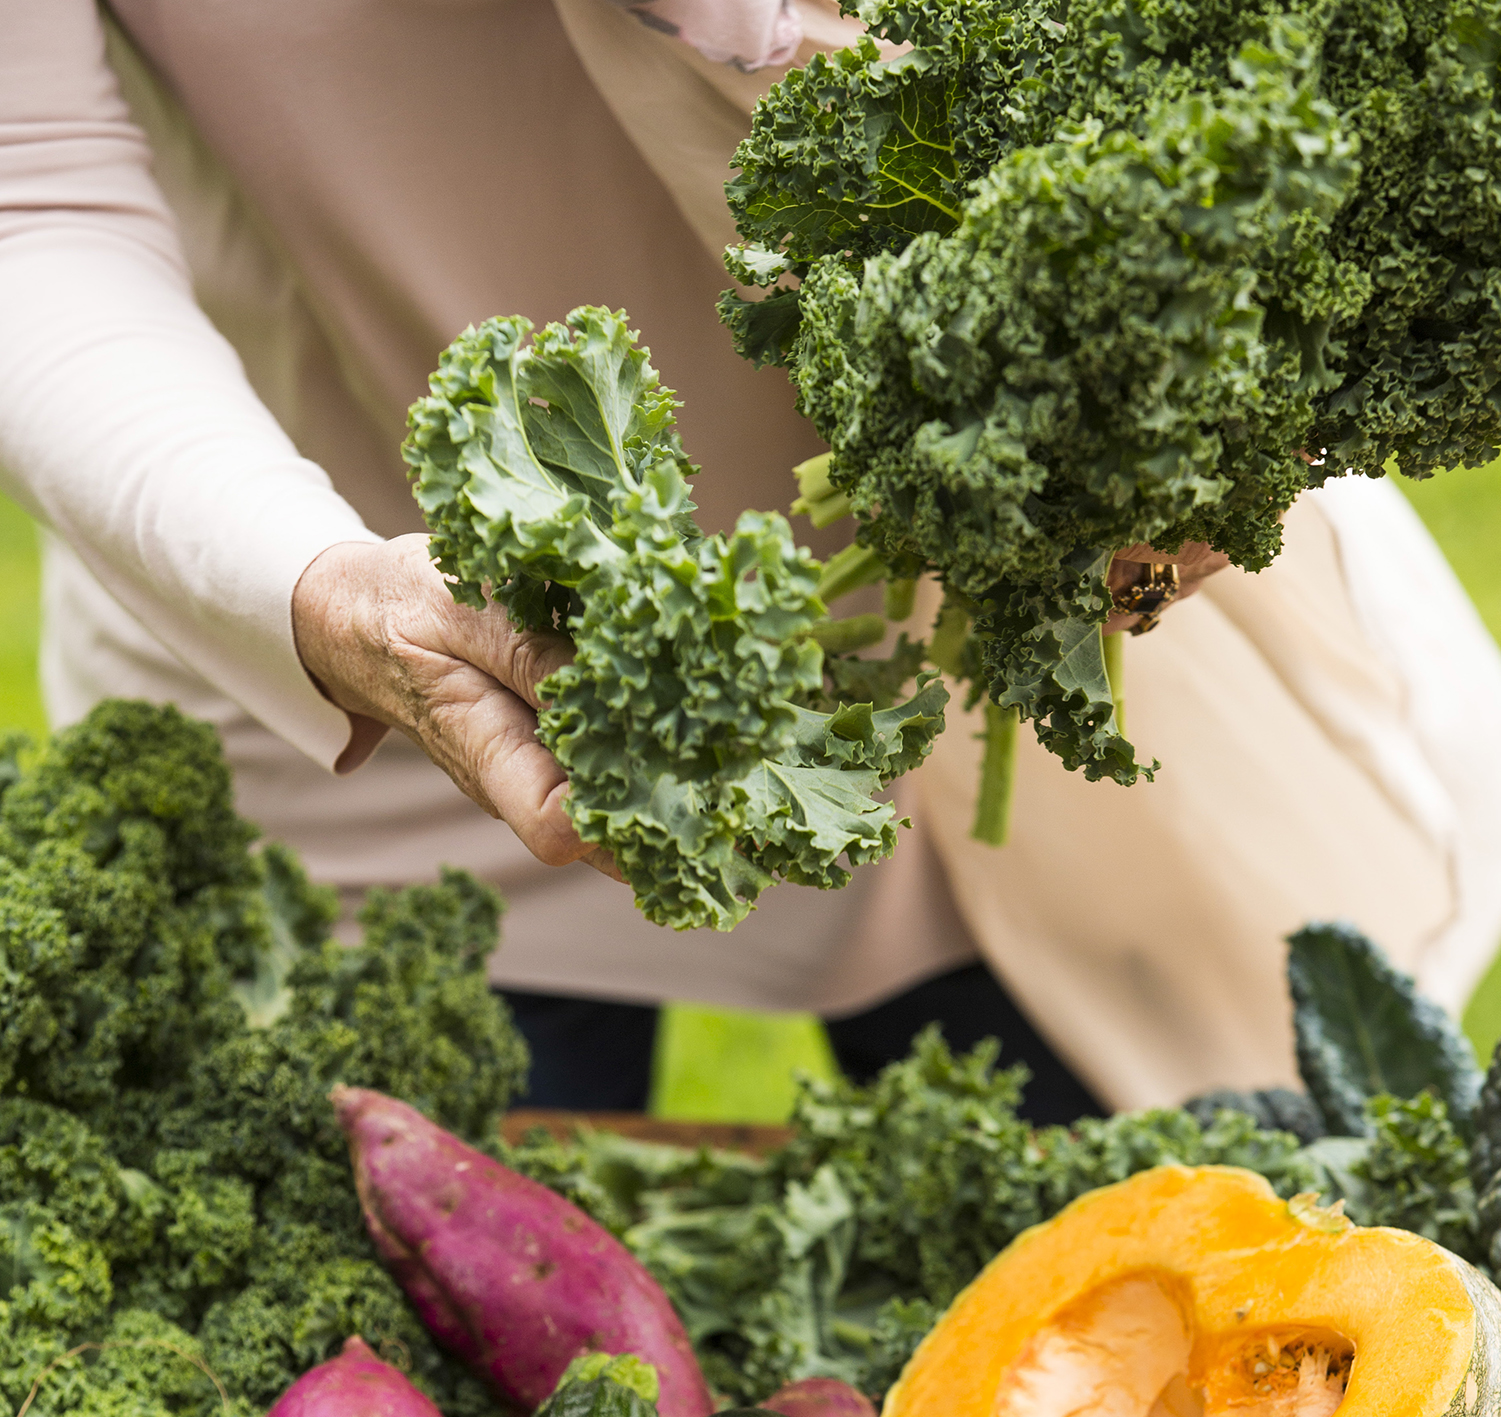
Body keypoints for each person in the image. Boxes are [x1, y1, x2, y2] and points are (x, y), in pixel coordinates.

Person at [4, 0, 1500, 1120]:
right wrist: (311, 588)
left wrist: (1234, 396)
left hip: (1026, 622)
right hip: (396, 633)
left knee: (1222, 1388)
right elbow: (31, 184)